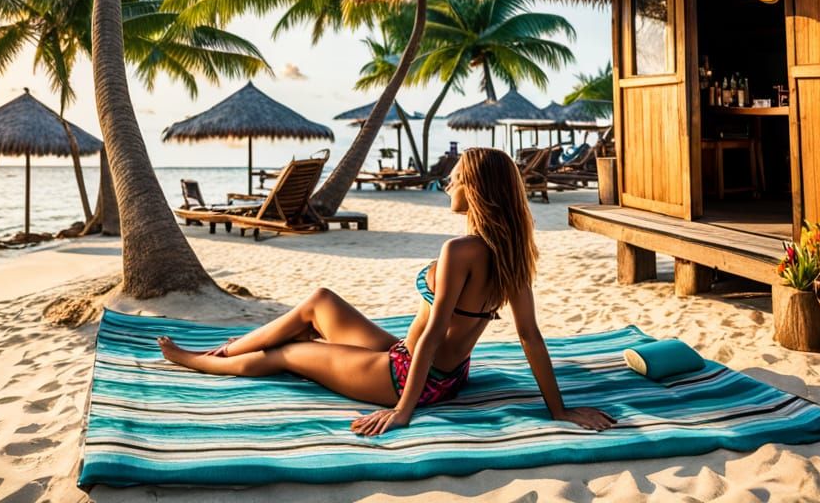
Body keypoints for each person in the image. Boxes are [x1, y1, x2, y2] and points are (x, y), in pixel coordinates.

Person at [157, 147, 614, 436]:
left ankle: (201, 360)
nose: (448, 183)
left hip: (403, 376)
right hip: (443, 375)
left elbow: (434, 333)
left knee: (289, 353)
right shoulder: (510, 253)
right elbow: (530, 336)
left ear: (474, 190)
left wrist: (402, 410)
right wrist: (559, 410)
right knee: (320, 300)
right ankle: (227, 348)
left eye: (456, 177)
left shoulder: (459, 250)